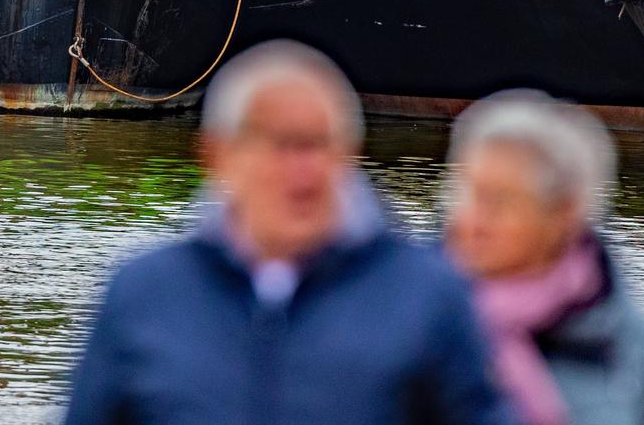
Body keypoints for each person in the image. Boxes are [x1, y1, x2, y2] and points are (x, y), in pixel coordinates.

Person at [63, 41, 512, 425]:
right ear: (218, 156)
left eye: (320, 144)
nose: (305, 171)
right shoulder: (144, 293)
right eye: (280, 145)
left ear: (350, 153)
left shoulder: (428, 294)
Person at [445, 92, 644, 425]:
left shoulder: (633, 345)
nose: (475, 221)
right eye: (468, 194)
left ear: (564, 212)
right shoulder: (410, 315)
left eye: (502, 201)